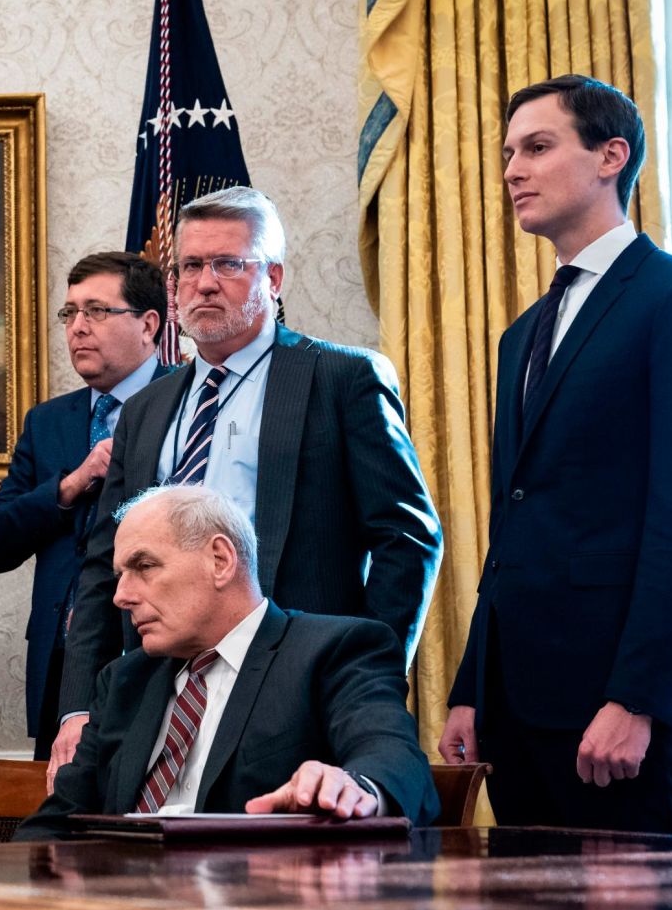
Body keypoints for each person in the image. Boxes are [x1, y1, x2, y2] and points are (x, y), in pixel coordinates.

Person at [50, 186, 443, 784]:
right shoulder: (147, 409)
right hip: (160, 689)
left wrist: (367, 669)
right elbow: (105, 562)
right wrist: (78, 706)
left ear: (274, 277)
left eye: (229, 264)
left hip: (296, 688)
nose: (205, 282)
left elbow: (407, 538)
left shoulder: (341, 378)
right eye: (190, 266)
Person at [439, 75, 672, 834]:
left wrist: (638, 697)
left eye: (537, 147)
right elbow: (514, 527)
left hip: (618, 714)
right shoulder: (521, 335)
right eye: (508, 152)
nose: (512, 169)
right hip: (515, 712)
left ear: (611, 156)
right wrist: (473, 686)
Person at [16, 485, 437, 840]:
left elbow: (391, 753)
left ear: (220, 560)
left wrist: (356, 788)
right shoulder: (125, 680)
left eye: (144, 566)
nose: (121, 597)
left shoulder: (332, 650)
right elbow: (57, 822)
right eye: (120, 575)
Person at [0, 252, 170, 759]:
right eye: (70, 313)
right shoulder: (49, 422)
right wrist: (70, 485)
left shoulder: (187, 404)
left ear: (149, 324)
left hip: (155, 649)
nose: (78, 328)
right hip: (61, 663)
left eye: (97, 311)